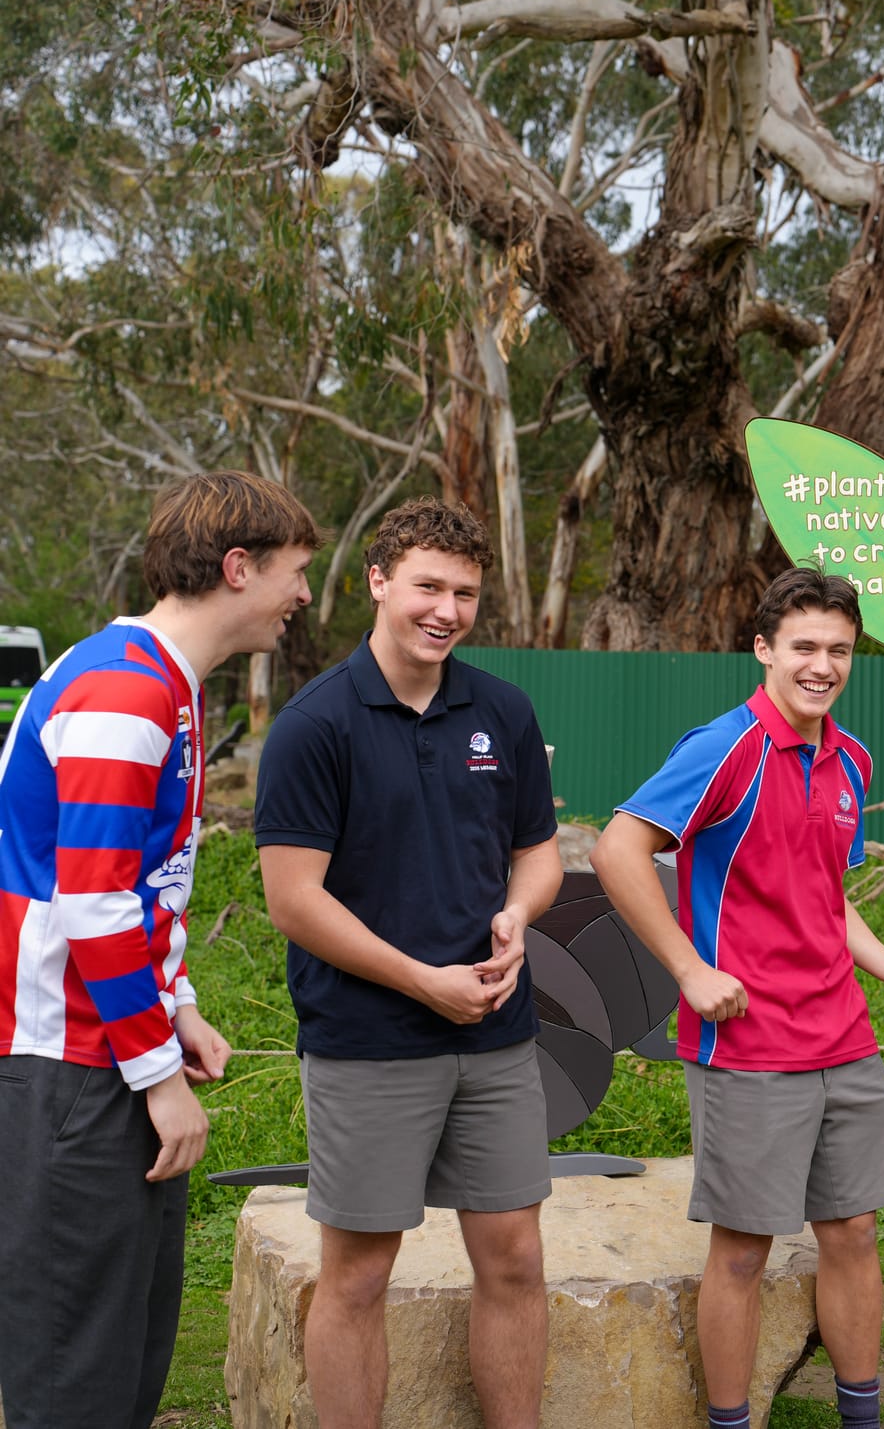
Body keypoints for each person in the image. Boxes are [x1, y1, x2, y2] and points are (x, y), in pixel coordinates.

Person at [590, 566, 884, 1429]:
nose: (822, 664)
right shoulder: (724, 747)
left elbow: (830, 903)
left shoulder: (852, 759)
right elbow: (619, 850)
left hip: (844, 1038)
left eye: (839, 649)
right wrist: (689, 969)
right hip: (748, 1047)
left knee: (853, 1234)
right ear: (764, 649)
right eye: (804, 646)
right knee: (742, 1251)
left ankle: (861, 1418)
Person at [0, 470, 321, 1428]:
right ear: (236, 568)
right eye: (295, 572)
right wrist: (157, 1076)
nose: (304, 594)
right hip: (71, 1068)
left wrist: (176, 1006)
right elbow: (93, 905)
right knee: (74, 1372)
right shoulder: (124, 691)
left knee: (128, 1357)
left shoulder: (168, 691)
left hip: (114, 1052)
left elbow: (150, 888)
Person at [255, 497, 562, 1429]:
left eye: (466, 592)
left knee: (515, 1258)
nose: (448, 609)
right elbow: (293, 898)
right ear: (379, 582)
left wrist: (516, 913)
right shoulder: (317, 724)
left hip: (497, 1034)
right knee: (357, 1275)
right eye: (429, 585)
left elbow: (538, 850)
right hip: (367, 1040)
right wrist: (420, 978)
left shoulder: (501, 711)